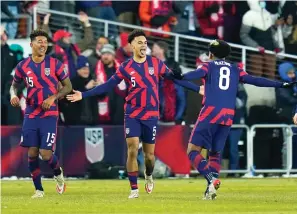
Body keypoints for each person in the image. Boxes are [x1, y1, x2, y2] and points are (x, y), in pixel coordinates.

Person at [67, 29, 201, 199]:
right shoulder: (126, 66)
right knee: (131, 149)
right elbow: (107, 85)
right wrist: (83, 94)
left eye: (145, 43)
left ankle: (149, 175)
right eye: (140, 42)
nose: (143, 45)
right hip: (132, 114)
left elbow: (176, 79)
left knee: (149, 156)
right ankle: (134, 188)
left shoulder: (156, 63)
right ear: (131, 46)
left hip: (151, 114)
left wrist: (198, 89)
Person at [173, 39, 294, 200]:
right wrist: (280, 84)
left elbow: (191, 76)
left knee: (193, 150)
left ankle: (211, 179)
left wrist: (180, 75)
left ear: (211, 54)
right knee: (215, 153)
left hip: (210, 112)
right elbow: (256, 80)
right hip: (228, 115)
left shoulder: (207, 66)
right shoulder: (236, 69)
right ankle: (211, 191)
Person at [9, 29, 72, 198]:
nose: (43, 44)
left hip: (49, 114)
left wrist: (53, 98)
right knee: (31, 152)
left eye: (45, 41)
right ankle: (39, 190)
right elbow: (14, 85)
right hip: (31, 113)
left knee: (45, 154)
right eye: (39, 41)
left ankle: (58, 174)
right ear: (31, 44)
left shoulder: (55, 64)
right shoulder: (23, 66)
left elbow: (68, 87)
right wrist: (13, 95)